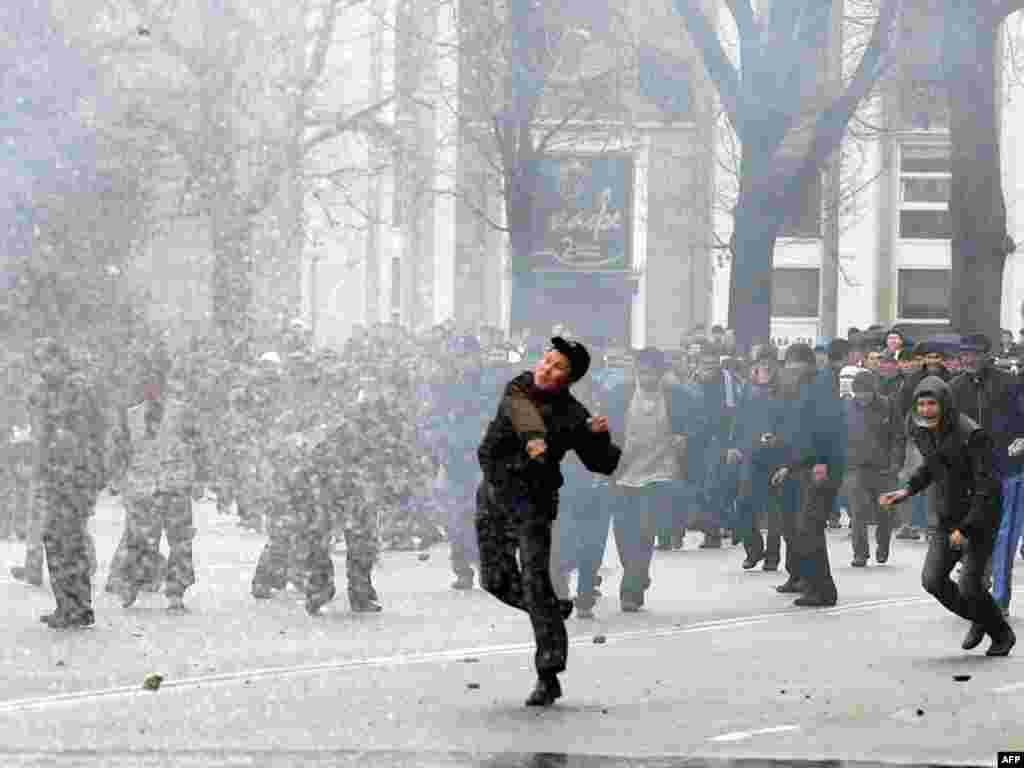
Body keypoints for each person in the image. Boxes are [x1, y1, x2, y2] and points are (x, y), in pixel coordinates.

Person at [477, 337, 622, 706]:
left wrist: (600, 437)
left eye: (558, 368)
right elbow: (522, 412)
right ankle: (551, 609)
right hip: (494, 495)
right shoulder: (519, 386)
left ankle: (549, 673)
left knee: (534, 578)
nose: (546, 369)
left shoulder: (574, 414)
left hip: (534, 504)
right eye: (547, 360)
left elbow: (601, 463)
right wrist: (535, 439)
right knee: (494, 580)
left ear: (569, 379)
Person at [880, 377, 1016, 656]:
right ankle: (983, 618)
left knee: (969, 584)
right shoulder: (922, 430)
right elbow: (932, 467)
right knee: (933, 580)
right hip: (948, 514)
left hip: (980, 514)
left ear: (945, 404)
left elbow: (986, 485)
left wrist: (967, 528)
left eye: (932, 404)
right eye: (922, 404)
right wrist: (907, 490)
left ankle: (1001, 634)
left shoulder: (970, 434)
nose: (927, 410)